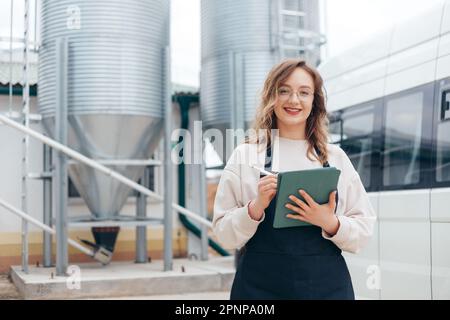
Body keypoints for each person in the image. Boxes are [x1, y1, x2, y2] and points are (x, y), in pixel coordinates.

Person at [212, 58, 376, 300]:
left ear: (314, 101)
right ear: (271, 97)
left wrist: (329, 222)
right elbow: (223, 235)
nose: (294, 100)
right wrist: (255, 208)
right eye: (284, 91)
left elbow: (363, 230)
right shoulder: (246, 156)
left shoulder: (335, 157)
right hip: (259, 288)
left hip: (326, 288)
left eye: (304, 92)